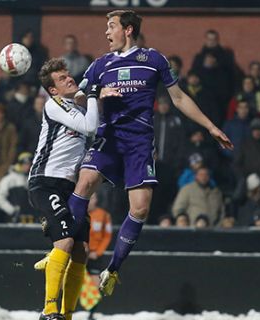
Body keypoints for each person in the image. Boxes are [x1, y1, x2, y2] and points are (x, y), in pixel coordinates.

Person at [69, 10, 232, 296]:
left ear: (128, 30)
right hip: (109, 138)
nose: (106, 33)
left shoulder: (154, 60)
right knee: (83, 183)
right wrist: (97, 92)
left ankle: (113, 269)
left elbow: (179, 97)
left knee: (141, 208)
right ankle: (68, 245)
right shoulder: (100, 65)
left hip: (139, 143)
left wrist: (210, 126)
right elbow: (78, 96)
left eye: (111, 27)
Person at [28, 58, 106, 320]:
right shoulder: (55, 104)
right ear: (53, 90)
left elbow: (92, 124)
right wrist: (93, 93)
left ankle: (68, 314)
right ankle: (50, 309)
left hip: (71, 188)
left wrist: (91, 95)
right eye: (62, 79)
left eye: (68, 75)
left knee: (81, 250)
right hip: (45, 181)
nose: (69, 79)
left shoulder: (77, 106)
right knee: (65, 240)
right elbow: (90, 126)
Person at [82, 193, 112, 320]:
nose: (90, 201)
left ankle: (91, 314)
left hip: (94, 255)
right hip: (79, 254)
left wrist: (98, 252)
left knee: (95, 285)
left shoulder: (104, 215)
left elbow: (107, 236)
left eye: (93, 198)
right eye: (88, 198)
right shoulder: (78, 212)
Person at [0, 152, 34, 223]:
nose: (27, 167)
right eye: (25, 164)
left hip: (31, 217)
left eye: (29, 164)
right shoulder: (9, 179)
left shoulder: (32, 179)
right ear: (19, 164)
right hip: (14, 218)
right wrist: (12, 210)